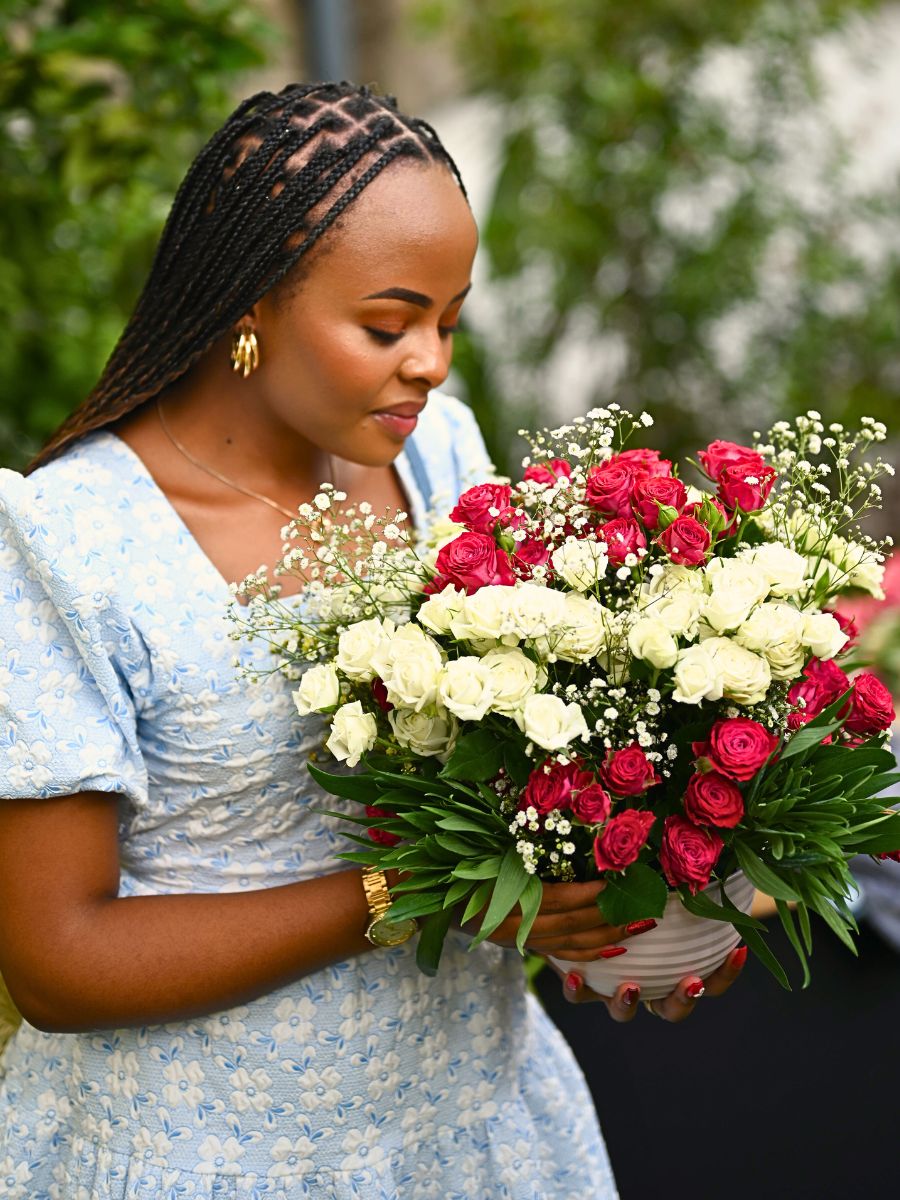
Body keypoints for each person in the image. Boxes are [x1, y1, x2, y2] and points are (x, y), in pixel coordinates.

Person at [0, 82, 744, 1197]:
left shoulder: (436, 456)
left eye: (450, 321)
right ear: (249, 306)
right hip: (205, 1157)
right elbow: (58, 962)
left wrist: (626, 914)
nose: (431, 363)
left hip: (472, 1130)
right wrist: (418, 895)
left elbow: (510, 793)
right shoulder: (69, 543)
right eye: (387, 326)